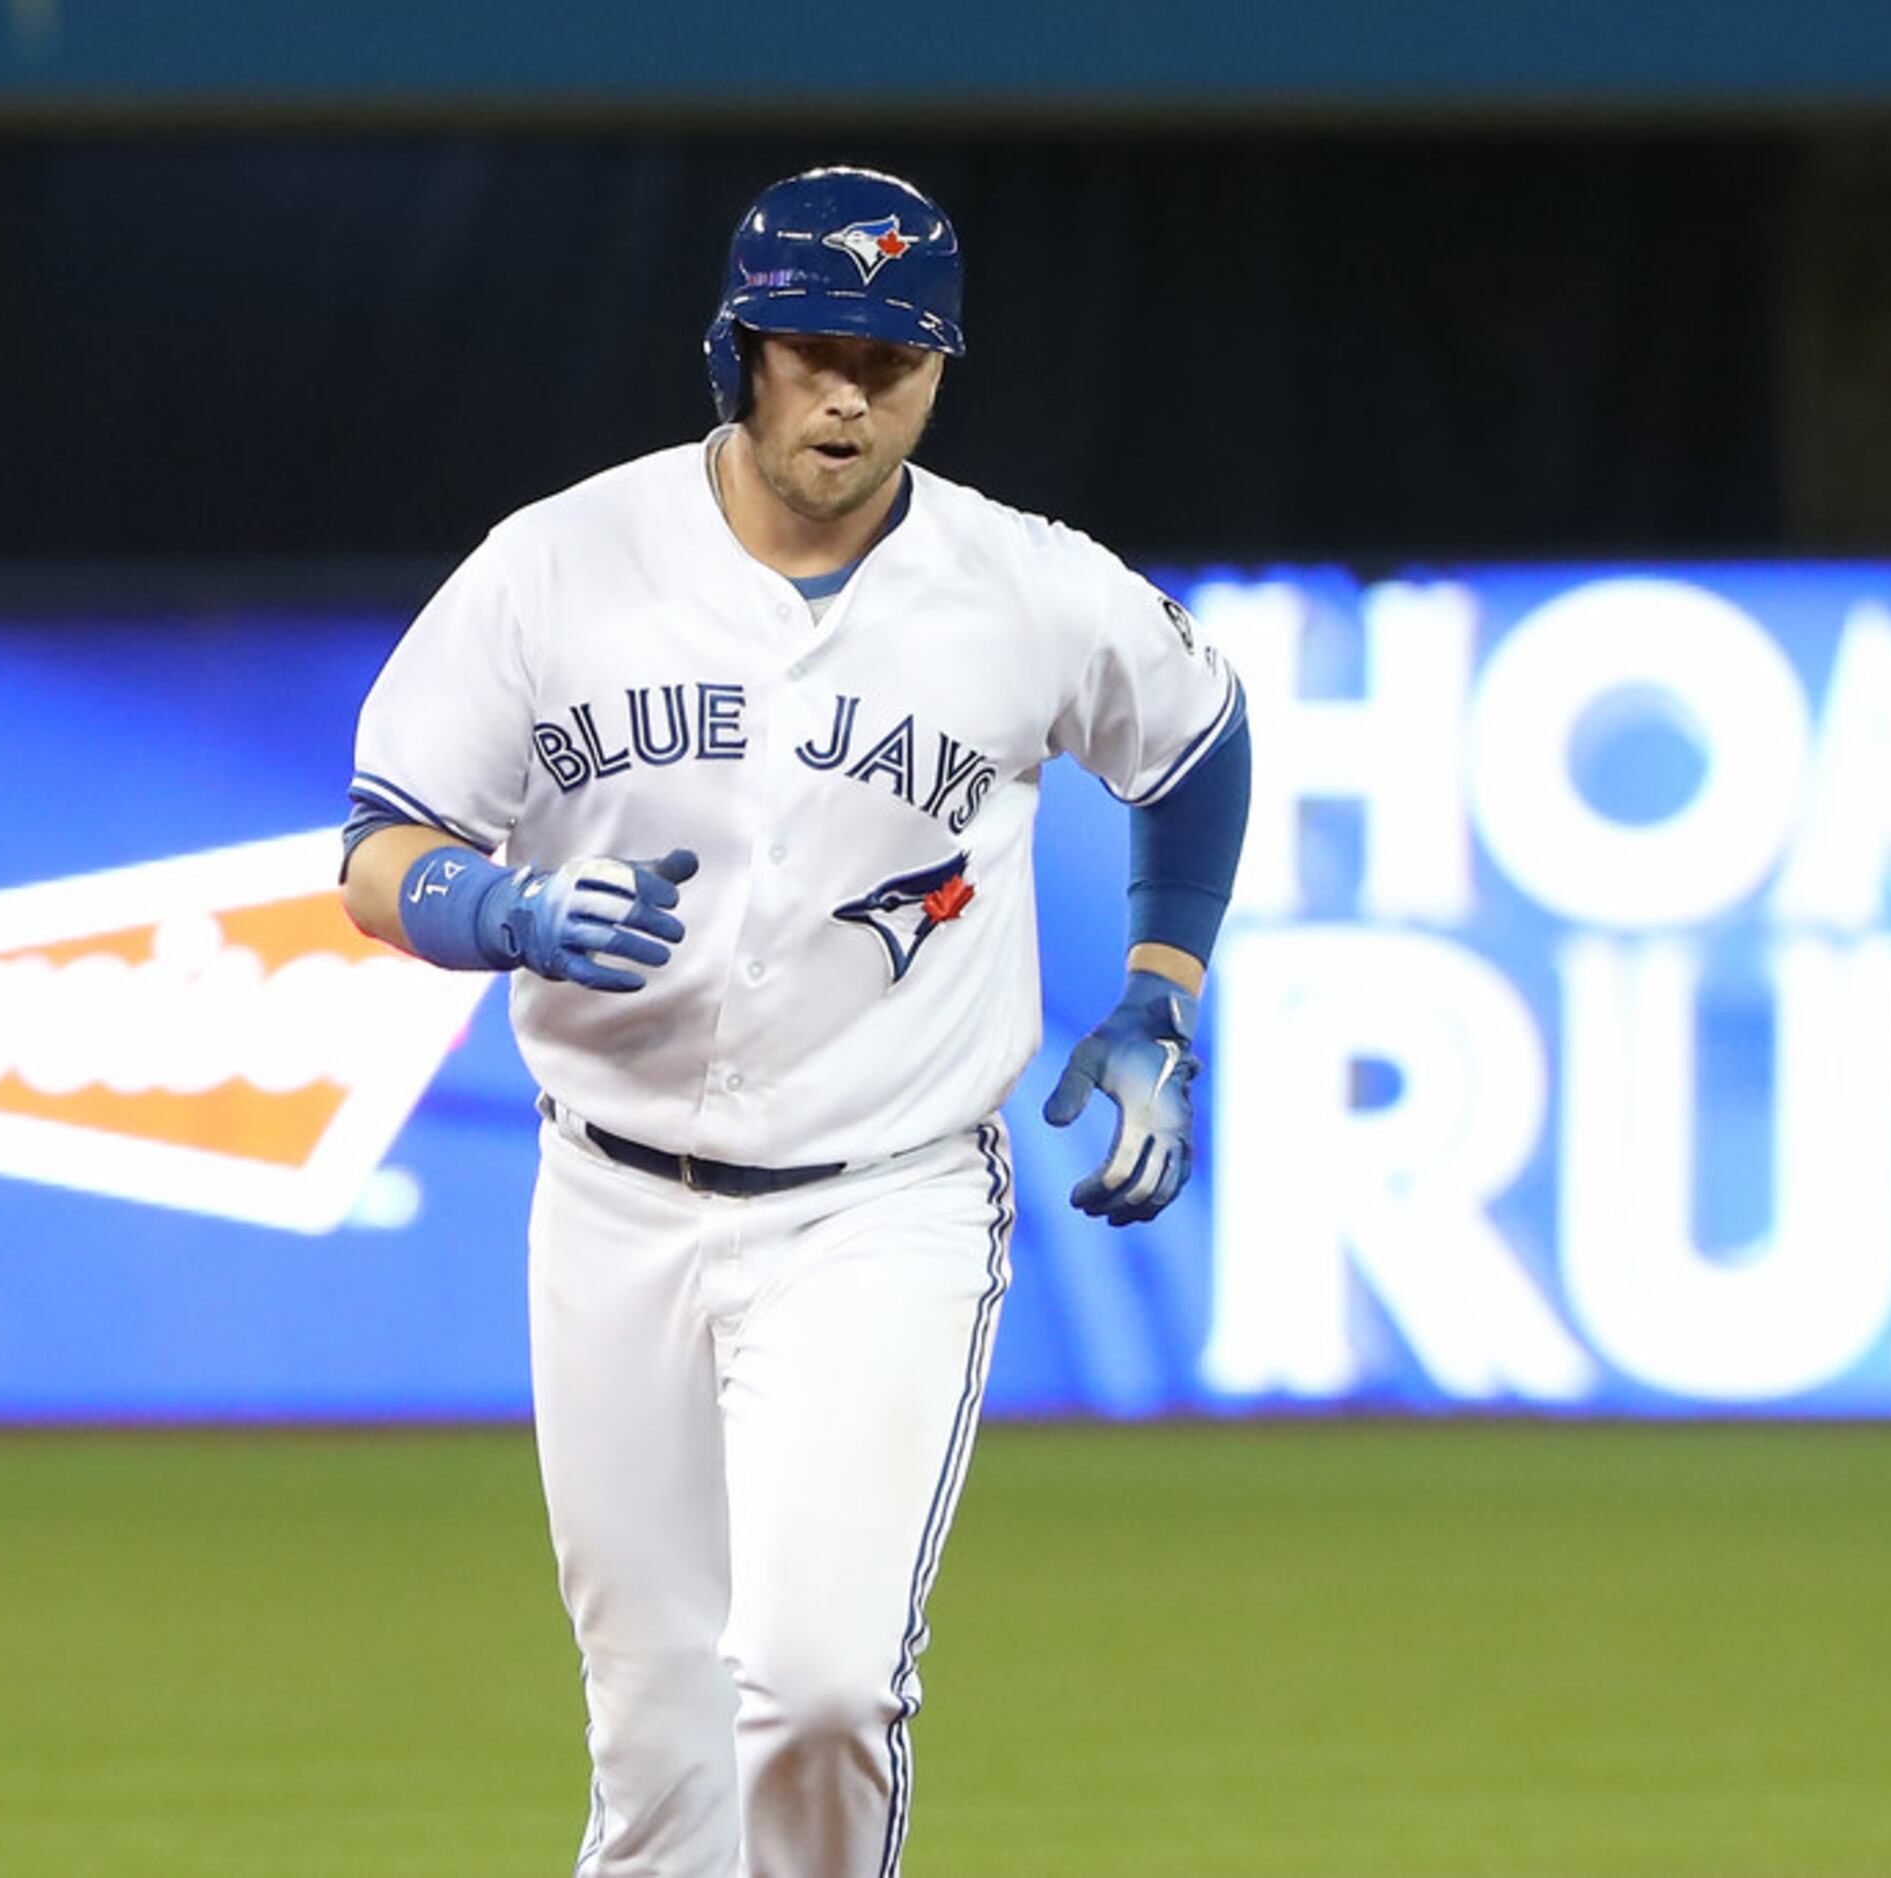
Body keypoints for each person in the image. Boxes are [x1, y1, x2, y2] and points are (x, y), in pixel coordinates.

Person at [337, 165, 1250, 1877]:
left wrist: (1161, 992)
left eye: (890, 358)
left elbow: (1198, 742)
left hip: (880, 1199)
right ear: (737, 351)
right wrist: (501, 908)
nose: (846, 391)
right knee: (657, 1725)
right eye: (811, 346)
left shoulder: (1026, 586)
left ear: (941, 371)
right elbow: (378, 847)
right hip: (610, 1199)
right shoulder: (560, 564)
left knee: (823, 1686)